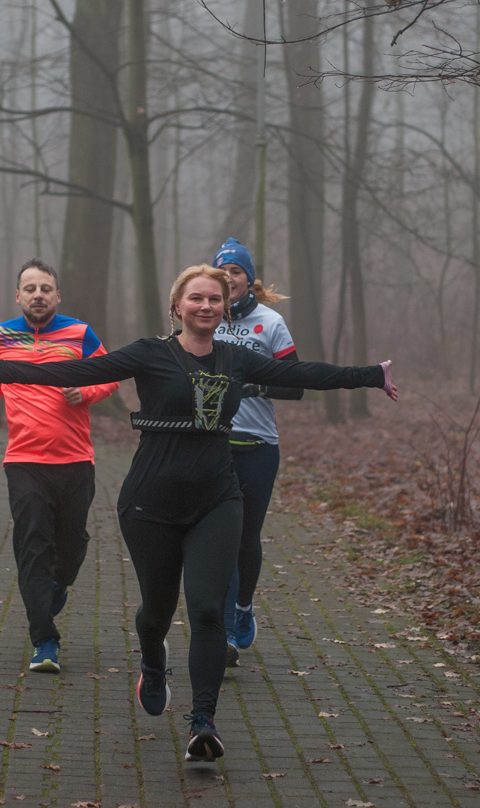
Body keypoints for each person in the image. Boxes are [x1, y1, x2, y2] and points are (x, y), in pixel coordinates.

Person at [0, 265, 397, 764]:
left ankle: (203, 723)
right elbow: (76, 372)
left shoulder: (237, 358)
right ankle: (153, 663)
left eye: (215, 299)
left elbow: (302, 374)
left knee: (208, 611)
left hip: (217, 498)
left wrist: (372, 375)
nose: (206, 306)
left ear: (225, 307)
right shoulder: (150, 353)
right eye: (196, 298)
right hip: (150, 502)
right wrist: (3, 370)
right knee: (156, 611)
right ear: (177, 307)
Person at [0, 260, 119, 675]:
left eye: (45, 288)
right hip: (24, 461)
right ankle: (45, 639)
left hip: (75, 460)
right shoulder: (0, 336)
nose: (38, 294)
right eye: (30, 288)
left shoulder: (80, 333)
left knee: (71, 549)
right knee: (32, 545)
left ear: (57, 296)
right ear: (17, 296)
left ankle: (56, 588)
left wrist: (85, 391)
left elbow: (110, 376)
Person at [210, 238, 300, 668]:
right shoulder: (204, 318)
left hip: (259, 446)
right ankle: (224, 633)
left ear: (248, 279)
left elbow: (297, 384)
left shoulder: (270, 323)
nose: (229, 279)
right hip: (214, 444)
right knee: (221, 537)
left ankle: (243, 605)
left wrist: (257, 386)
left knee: (246, 536)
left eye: (236, 272)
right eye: (222, 271)